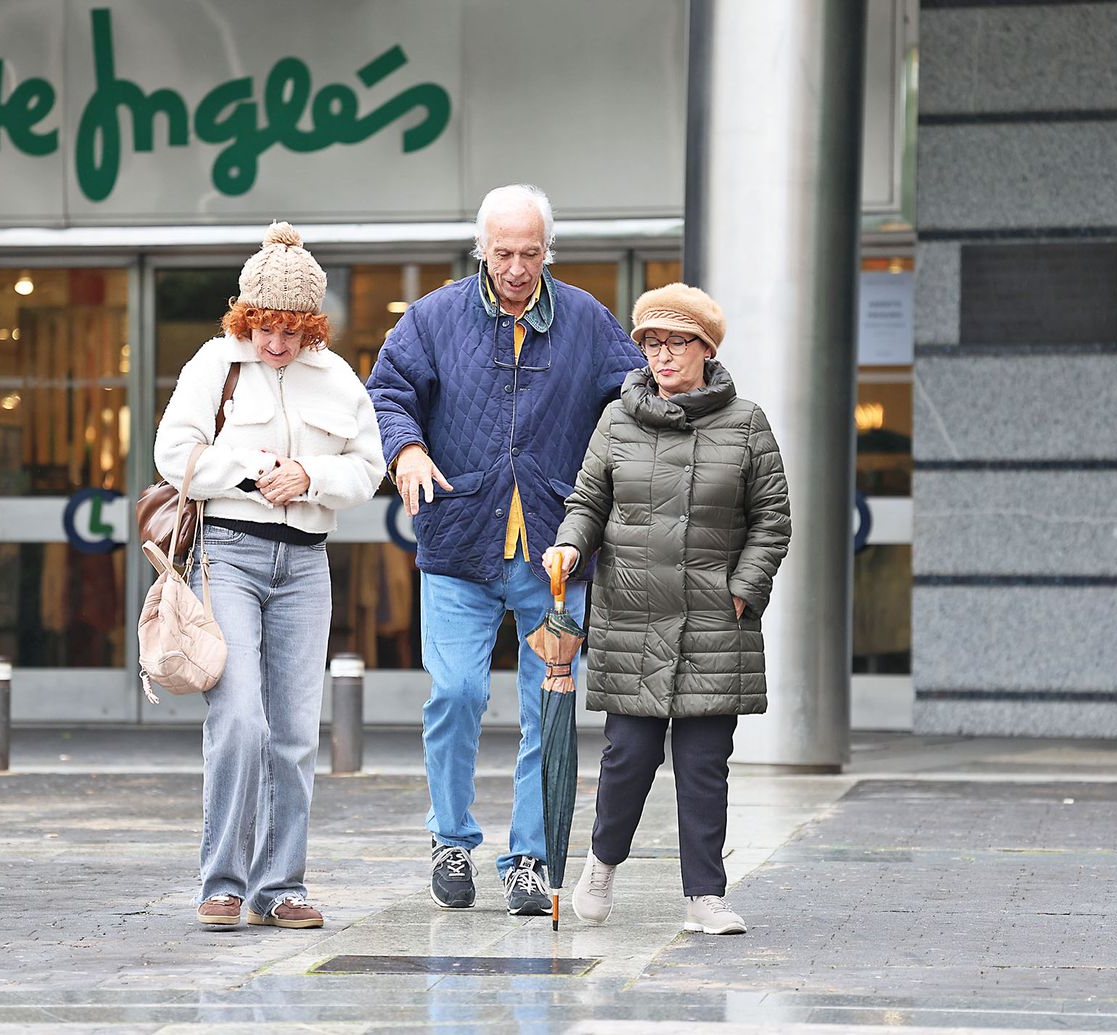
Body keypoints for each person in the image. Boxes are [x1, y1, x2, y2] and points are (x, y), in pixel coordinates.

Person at [367, 184, 644, 914]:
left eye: (530, 253)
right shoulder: (432, 318)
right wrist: (407, 451)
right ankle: (451, 838)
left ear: (547, 251)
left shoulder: (586, 320)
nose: (517, 268)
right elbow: (388, 390)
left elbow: (632, 398)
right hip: (460, 540)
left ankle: (529, 856)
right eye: (503, 253)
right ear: (480, 250)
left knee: (545, 710)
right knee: (455, 692)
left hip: (555, 552)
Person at [154, 222, 383, 931]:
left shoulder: (336, 377)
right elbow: (174, 452)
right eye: (262, 327)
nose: (274, 343)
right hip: (232, 551)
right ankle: (221, 879)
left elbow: (367, 467)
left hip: (306, 564)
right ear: (244, 316)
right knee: (241, 718)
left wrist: (311, 475)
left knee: (293, 732)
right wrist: (257, 472)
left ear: (312, 327)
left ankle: (280, 885)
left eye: (290, 330)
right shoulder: (213, 365)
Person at [542, 283, 790, 935]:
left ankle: (705, 895)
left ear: (706, 348)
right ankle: (601, 864)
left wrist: (745, 587)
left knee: (705, 762)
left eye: (676, 341)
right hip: (634, 614)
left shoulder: (747, 423)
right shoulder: (617, 420)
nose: (662, 354)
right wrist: (569, 549)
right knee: (629, 755)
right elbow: (586, 502)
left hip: (715, 618)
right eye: (651, 342)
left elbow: (772, 519)